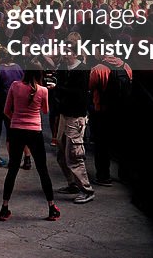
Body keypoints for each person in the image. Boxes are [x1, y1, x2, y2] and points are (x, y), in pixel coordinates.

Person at [0, 65, 59, 222]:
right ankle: (51, 207)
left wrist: (17, 120)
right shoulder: (43, 91)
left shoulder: (15, 86)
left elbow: (6, 110)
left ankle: (4, 207)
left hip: (16, 130)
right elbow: (45, 111)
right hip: (35, 132)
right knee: (42, 169)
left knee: (12, 169)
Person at [54, 32, 94, 203]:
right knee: (61, 152)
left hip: (75, 116)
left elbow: (79, 95)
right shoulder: (64, 68)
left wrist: (59, 88)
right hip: (64, 114)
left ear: (75, 53)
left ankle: (86, 189)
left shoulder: (82, 71)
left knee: (74, 154)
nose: (64, 53)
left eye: (67, 51)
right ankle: (72, 183)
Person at [88, 49, 132, 186]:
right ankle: (124, 175)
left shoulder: (98, 69)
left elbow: (89, 86)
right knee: (123, 145)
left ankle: (103, 176)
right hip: (122, 111)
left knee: (102, 145)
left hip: (102, 112)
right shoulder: (126, 66)